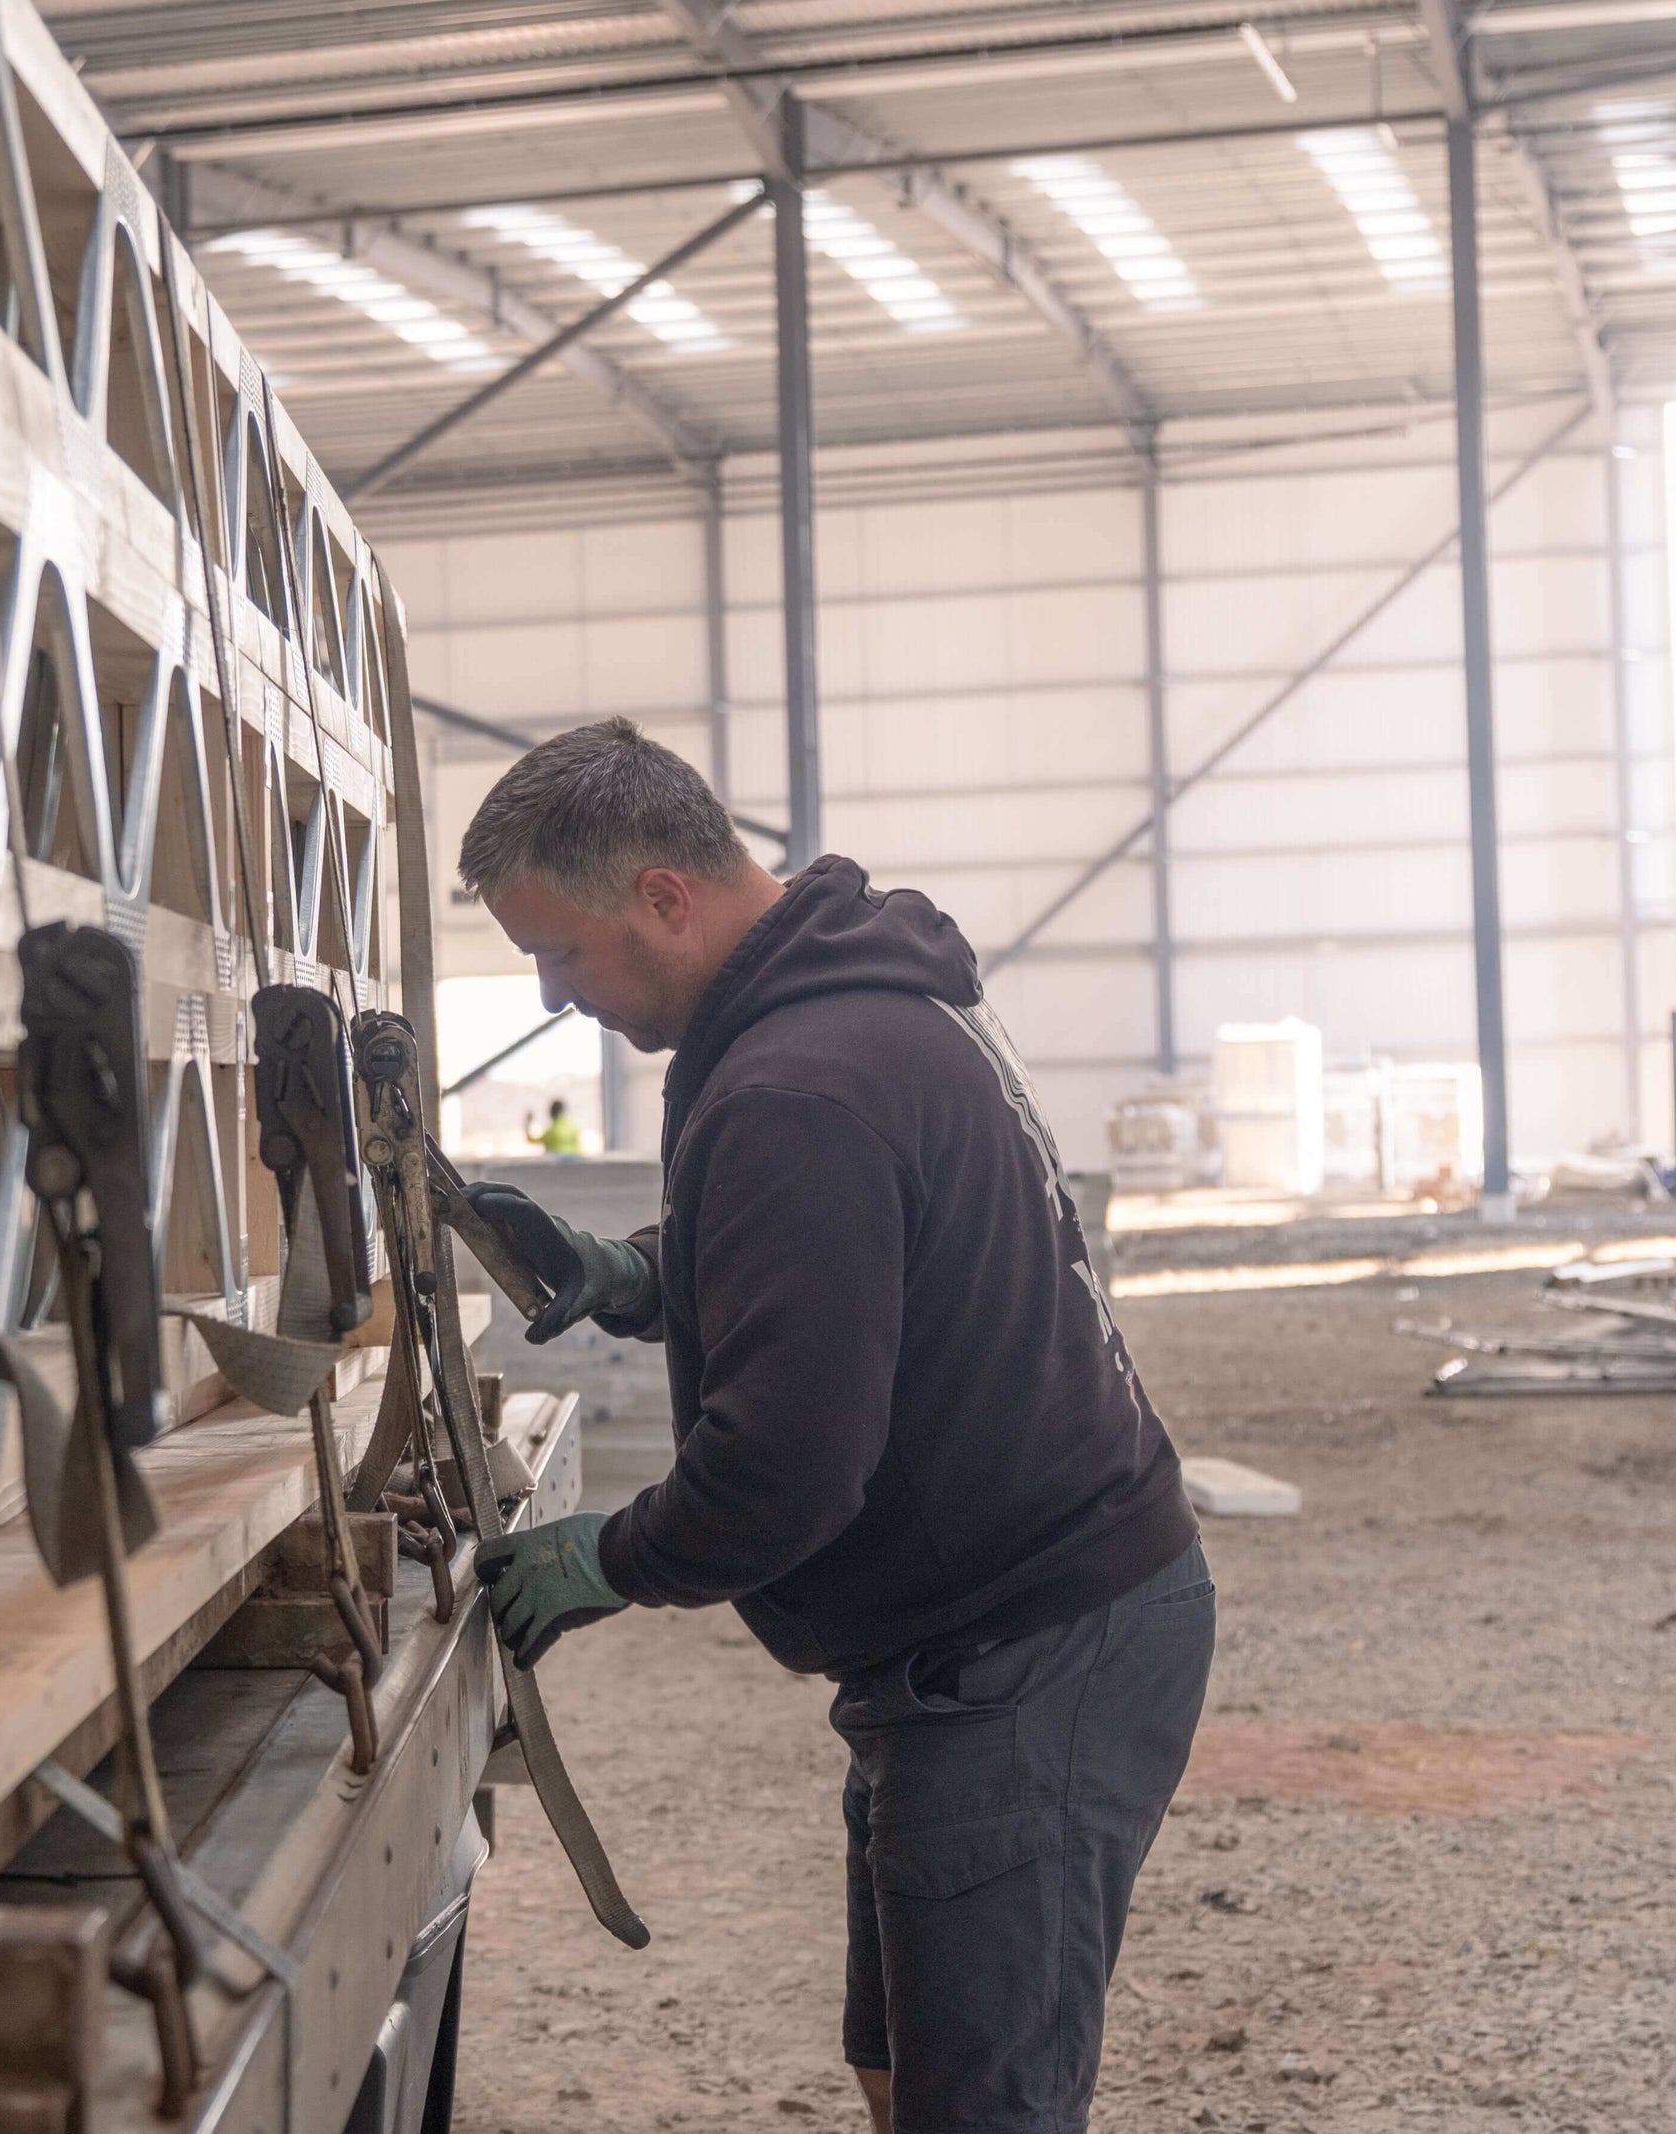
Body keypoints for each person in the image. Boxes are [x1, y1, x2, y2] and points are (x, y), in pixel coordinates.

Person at [455, 719, 1210, 2134]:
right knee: (904, 2068)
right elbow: (840, 1254)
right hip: (981, 1634)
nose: (556, 995)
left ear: (663, 898)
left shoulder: (797, 1081)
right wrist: (633, 1272)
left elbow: (784, 1472)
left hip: (1029, 1645)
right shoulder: (852, 999)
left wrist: (604, 1557)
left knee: (981, 2108)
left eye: (559, 952)